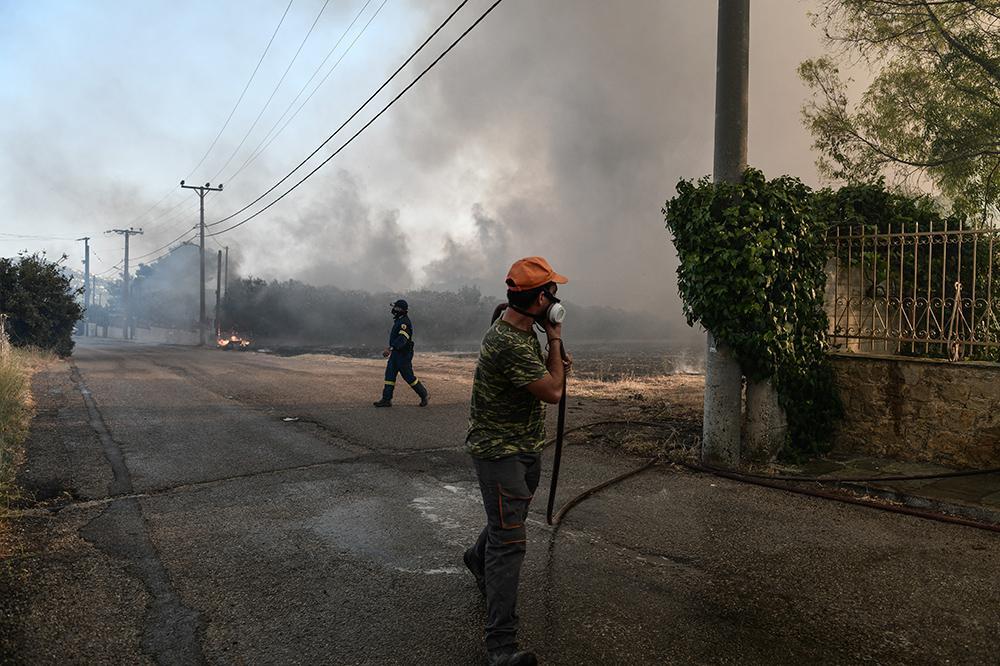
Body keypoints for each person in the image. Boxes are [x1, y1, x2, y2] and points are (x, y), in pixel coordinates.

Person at [463, 257, 571, 666]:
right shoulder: (507, 341)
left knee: (508, 523)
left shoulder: (524, 331)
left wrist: (552, 355)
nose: (557, 302)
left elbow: (544, 379)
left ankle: (476, 557)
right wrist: (556, 341)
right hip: (500, 451)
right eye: (553, 294)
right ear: (541, 300)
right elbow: (553, 392)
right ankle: (501, 648)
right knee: (509, 544)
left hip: (525, 445)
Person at [373, 299, 429, 407]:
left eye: (395, 308)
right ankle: (386, 400)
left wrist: (391, 348)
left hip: (403, 355)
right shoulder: (399, 320)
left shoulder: (404, 322)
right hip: (396, 354)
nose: (393, 309)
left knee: (409, 377)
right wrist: (393, 349)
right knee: (389, 376)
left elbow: (402, 338)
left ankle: (424, 395)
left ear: (400, 310)